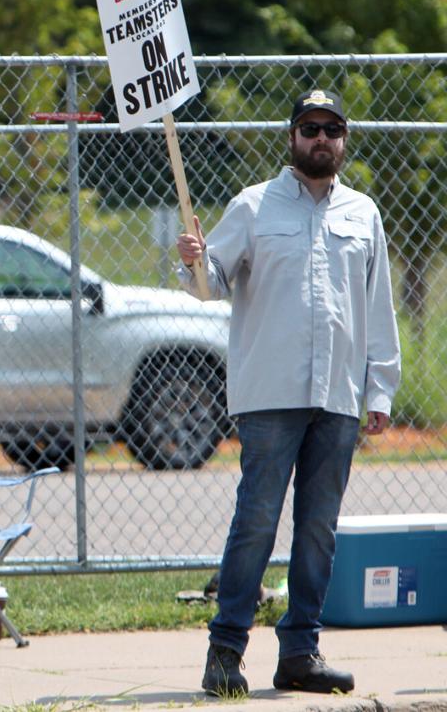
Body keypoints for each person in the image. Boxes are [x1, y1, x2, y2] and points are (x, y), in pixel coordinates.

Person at [177, 89, 401, 697]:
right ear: (292, 136)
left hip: (337, 396)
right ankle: (225, 651)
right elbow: (209, 284)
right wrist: (196, 260)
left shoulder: (364, 213)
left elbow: (378, 310)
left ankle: (300, 653)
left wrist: (379, 389)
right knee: (256, 522)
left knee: (318, 527)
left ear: (344, 139)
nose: (320, 138)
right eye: (309, 127)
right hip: (269, 394)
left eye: (332, 128)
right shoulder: (253, 206)